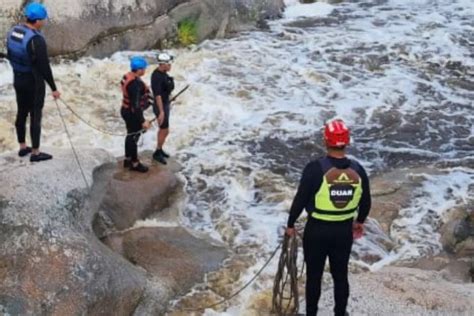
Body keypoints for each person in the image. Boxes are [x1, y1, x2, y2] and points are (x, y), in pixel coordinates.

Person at [285, 119, 371, 316]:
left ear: (325, 141)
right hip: (343, 231)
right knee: (340, 276)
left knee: (314, 276)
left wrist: (290, 225)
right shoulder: (358, 170)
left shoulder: (315, 168)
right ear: (347, 142)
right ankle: (340, 313)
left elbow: (300, 199)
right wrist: (359, 222)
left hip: (317, 230)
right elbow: (366, 202)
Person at [6, 2, 61, 162]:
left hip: (18, 78)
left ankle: (23, 148)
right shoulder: (36, 40)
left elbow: (10, 54)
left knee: (21, 112)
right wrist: (54, 88)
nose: (44, 22)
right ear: (37, 20)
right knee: (35, 115)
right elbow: (44, 67)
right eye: (43, 19)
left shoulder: (13, 31)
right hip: (33, 82)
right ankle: (36, 152)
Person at [121, 56, 152, 173]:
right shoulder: (135, 84)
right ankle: (135, 163)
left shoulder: (128, 76)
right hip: (132, 113)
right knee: (134, 137)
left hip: (125, 110)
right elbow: (136, 106)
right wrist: (143, 121)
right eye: (144, 69)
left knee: (129, 135)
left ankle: (127, 159)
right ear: (139, 70)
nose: (144, 71)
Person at [151, 52, 174, 165]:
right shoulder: (156, 77)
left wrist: (169, 98)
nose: (170, 65)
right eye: (168, 64)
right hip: (160, 105)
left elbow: (166, 90)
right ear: (162, 64)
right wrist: (161, 112)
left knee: (165, 129)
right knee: (164, 129)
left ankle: (159, 149)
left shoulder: (164, 73)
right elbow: (158, 95)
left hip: (165, 104)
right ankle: (157, 152)